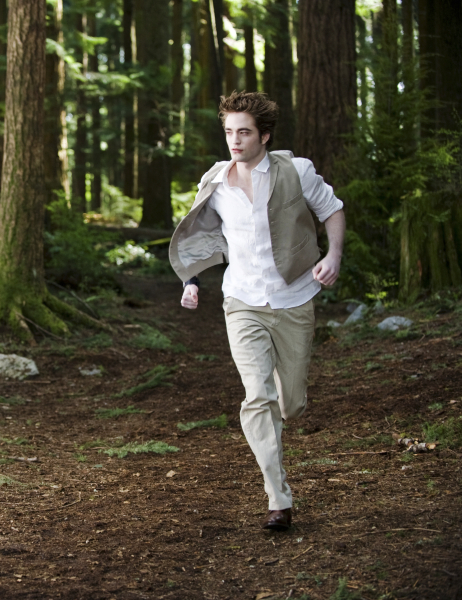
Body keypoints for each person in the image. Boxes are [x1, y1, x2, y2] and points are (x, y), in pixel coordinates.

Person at [169, 91, 345, 531]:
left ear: (264, 136)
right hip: (242, 301)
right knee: (257, 398)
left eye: (244, 132)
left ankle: (284, 404)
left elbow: (333, 210)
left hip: (294, 298)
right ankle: (277, 498)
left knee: (292, 404)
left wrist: (334, 256)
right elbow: (199, 235)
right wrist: (191, 282)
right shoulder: (215, 181)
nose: (234, 140)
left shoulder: (296, 171)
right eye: (229, 131)